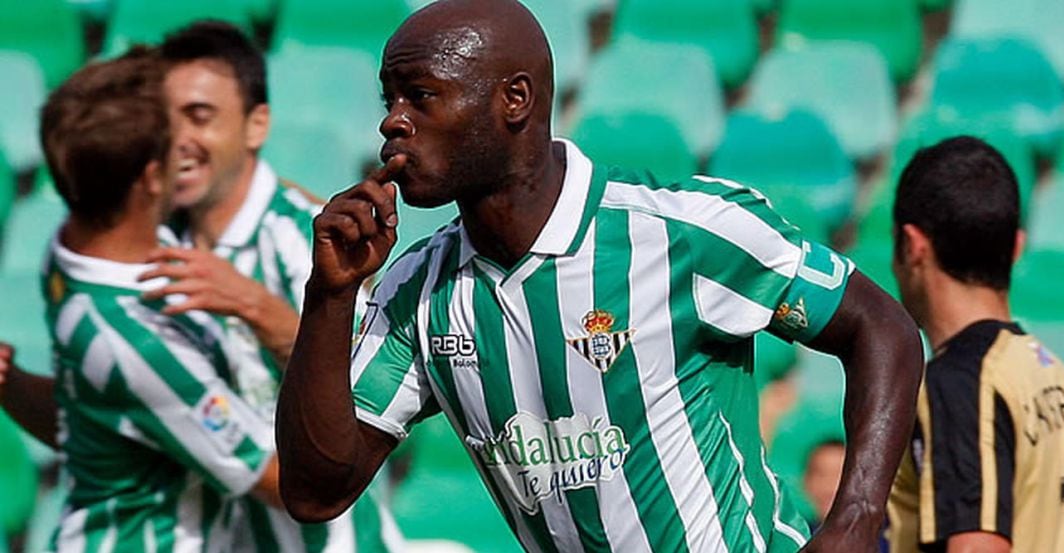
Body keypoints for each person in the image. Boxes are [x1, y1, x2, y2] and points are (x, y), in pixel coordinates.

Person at [275, 1, 924, 551]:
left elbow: (881, 327)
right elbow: (314, 490)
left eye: (420, 96)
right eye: (389, 98)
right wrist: (329, 296)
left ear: (515, 100)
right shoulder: (418, 290)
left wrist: (857, 518)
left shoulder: (680, 233)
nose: (393, 119)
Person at [1, 21, 402, 552]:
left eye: (200, 117)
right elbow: (121, 420)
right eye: (168, 121)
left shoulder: (302, 235)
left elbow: (373, 398)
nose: (182, 141)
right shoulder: (133, 248)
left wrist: (256, 306)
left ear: (256, 125)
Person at [35, 48, 283, 552]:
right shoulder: (142, 344)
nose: (189, 147)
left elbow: (90, 423)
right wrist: (262, 310)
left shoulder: (70, 248)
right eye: (176, 141)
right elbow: (291, 487)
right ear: (150, 177)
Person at [886, 137, 1064, 552]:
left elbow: (978, 546)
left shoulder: (960, 384)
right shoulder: (1048, 370)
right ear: (1016, 247)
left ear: (912, 246)